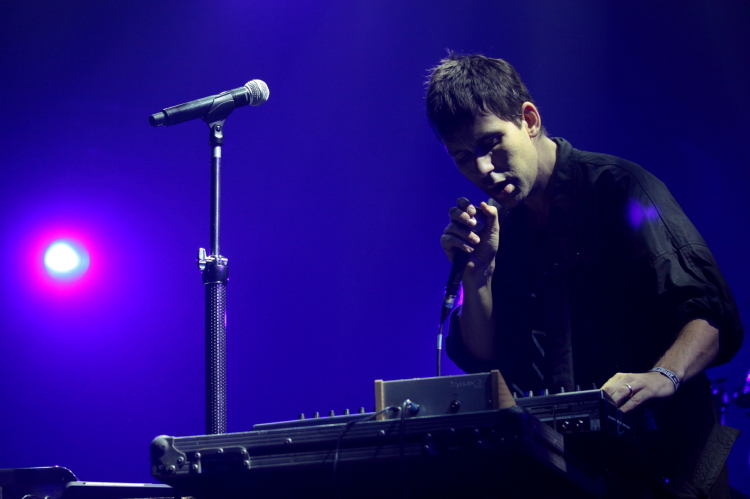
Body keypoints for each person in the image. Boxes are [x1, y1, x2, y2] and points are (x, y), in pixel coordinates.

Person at [428, 53, 744, 498]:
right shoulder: (498, 227)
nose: (481, 168)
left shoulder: (619, 188)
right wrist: (478, 275)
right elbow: (483, 356)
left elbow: (709, 313)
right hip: (566, 470)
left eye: (491, 143)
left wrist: (664, 376)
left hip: (668, 460)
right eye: (463, 157)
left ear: (529, 120)